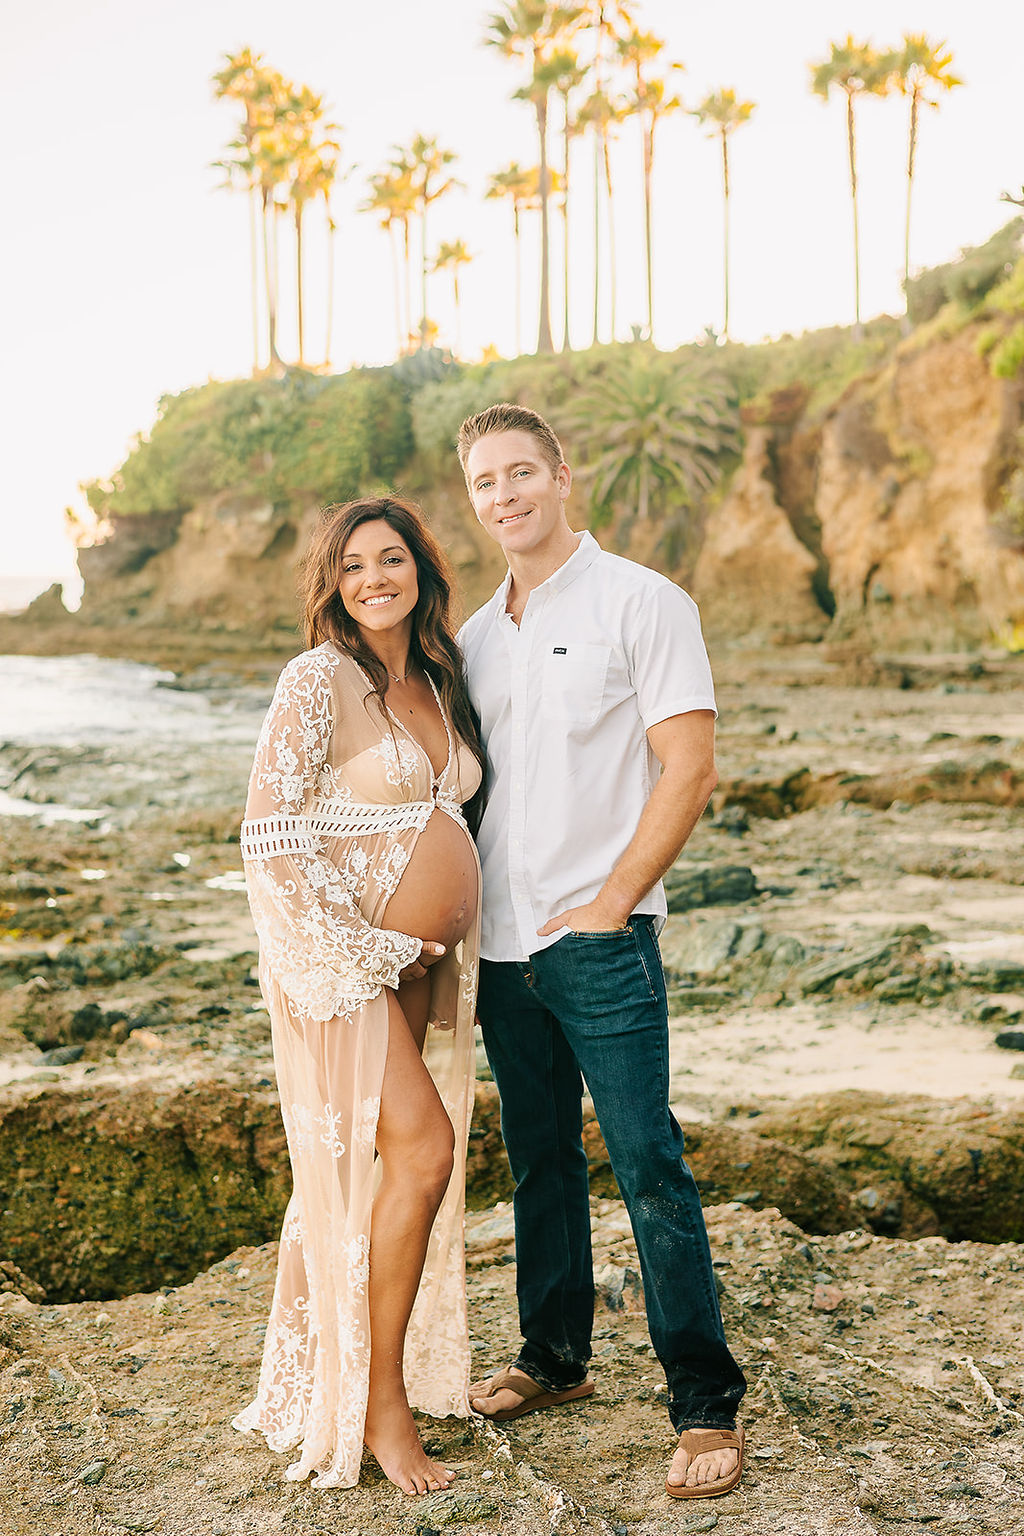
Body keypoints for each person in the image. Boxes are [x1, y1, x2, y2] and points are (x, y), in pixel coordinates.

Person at [456, 403, 747, 1500]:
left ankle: (704, 1403)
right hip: (496, 947)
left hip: (598, 937)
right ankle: (554, 1357)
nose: (505, 496)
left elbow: (687, 767)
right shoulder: (476, 638)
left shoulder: (642, 602)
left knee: (647, 1165)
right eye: (485, 482)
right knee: (538, 1161)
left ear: (562, 475)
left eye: (521, 472)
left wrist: (614, 903)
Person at [233, 496, 484, 1495]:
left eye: (392, 559)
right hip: (340, 959)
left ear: (420, 566)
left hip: (416, 966)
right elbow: (271, 829)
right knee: (422, 1152)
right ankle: (378, 1408)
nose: (375, 578)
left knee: (353, 1183)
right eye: (353, 567)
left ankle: (328, 1380)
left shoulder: (436, 676)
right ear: (332, 585)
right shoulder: (318, 678)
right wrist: (357, 947)